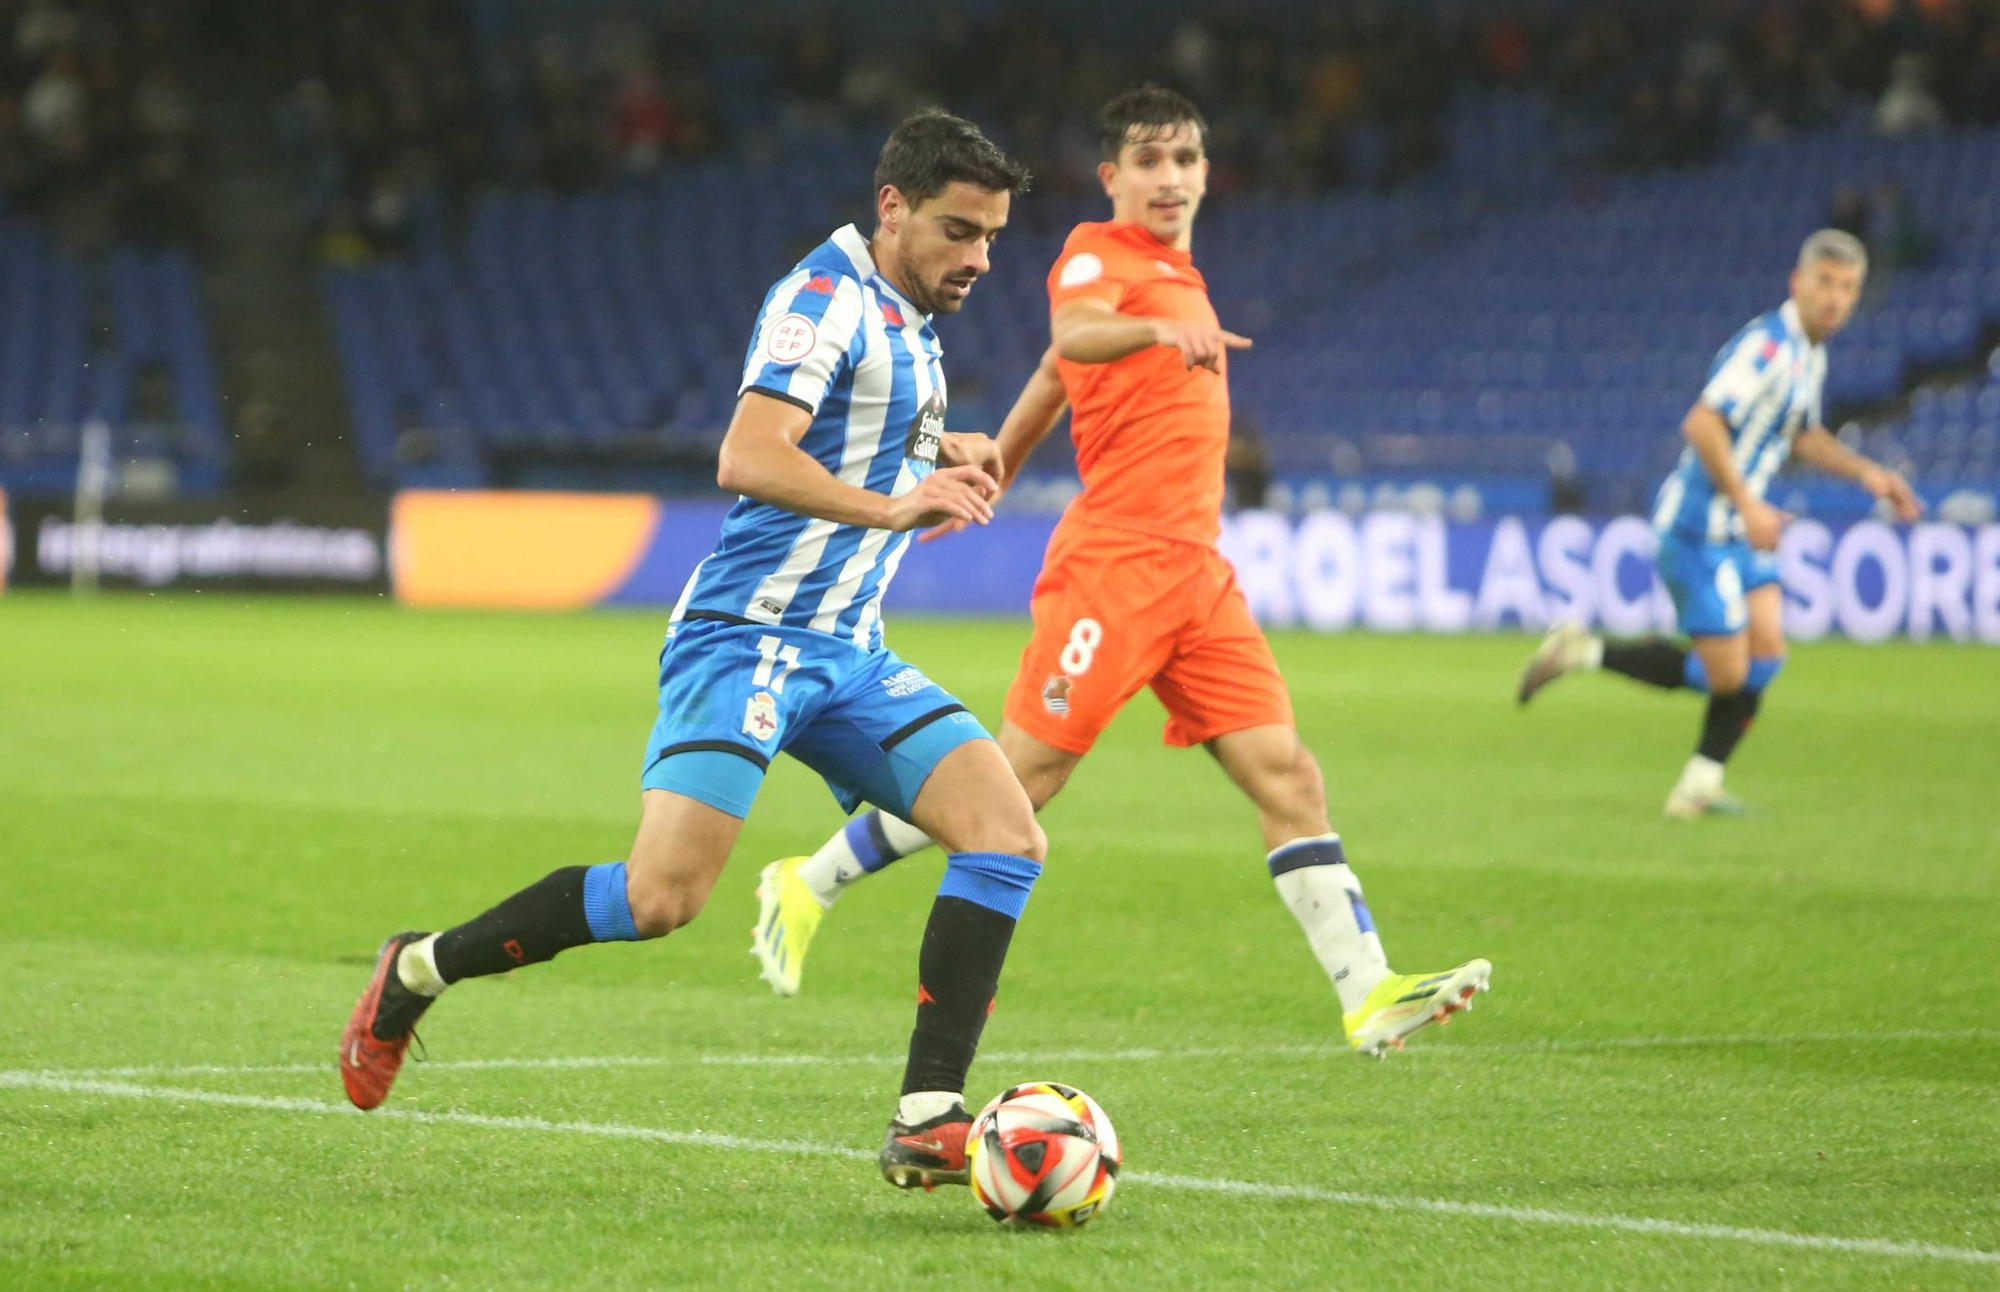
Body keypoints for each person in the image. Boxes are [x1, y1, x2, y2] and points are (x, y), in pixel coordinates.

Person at [341, 111, 1041, 1192]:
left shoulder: (908, 307)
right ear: (891, 206)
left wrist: (930, 443)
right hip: (748, 642)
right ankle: (419, 966)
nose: (977, 260)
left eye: (989, 237)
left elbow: (854, 420)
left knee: (1004, 833)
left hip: (848, 652)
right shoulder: (823, 300)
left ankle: (926, 1114)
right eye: (958, 232)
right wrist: (895, 503)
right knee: (659, 899)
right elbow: (747, 454)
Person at [750, 85, 1490, 1058]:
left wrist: (994, 467)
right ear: (1113, 177)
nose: (1170, 177)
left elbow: (1055, 381)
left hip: (1197, 573)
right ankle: (808, 881)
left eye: (1186, 159)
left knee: (1287, 774)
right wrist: (1150, 330)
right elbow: (1074, 339)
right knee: (1014, 784)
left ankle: (1365, 992)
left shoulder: (1175, 275)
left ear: (1206, 172)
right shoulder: (1102, 255)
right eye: (1149, 160)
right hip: (1116, 565)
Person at [1517, 229, 1921, 817]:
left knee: (1768, 654)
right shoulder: (1768, 349)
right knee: (1727, 675)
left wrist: (1868, 475)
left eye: (1849, 288)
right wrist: (1749, 502)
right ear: (1798, 283)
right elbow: (1702, 423)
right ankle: (1584, 652)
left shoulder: (1811, 353)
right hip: (1695, 530)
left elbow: (1802, 435)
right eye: (1826, 283)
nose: (1835, 298)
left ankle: (1698, 786)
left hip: (1739, 525)